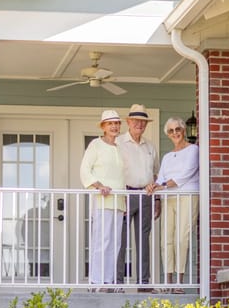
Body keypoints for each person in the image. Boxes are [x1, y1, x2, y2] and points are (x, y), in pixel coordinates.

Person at [146, 116, 199, 294]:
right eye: (171, 131)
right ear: (168, 135)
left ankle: (179, 282)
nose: (175, 133)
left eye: (178, 129)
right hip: (168, 198)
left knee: (181, 238)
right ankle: (168, 281)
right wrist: (154, 186)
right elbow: (160, 176)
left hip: (186, 196)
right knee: (166, 239)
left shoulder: (194, 150)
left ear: (184, 130)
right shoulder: (168, 156)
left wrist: (164, 185)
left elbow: (187, 173)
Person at [115, 104, 160, 293]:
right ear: (128, 122)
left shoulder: (150, 146)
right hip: (125, 194)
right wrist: (120, 194)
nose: (139, 124)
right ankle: (117, 283)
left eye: (143, 121)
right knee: (121, 240)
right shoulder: (118, 143)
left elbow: (156, 174)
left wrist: (157, 199)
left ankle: (144, 283)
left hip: (146, 195)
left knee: (143, 240)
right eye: (136, 121)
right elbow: (114, 171)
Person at [80, 109, 126, 292]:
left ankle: (108, 281)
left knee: (115, 243)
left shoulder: (121, 147)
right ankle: (96, 281)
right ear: (103, 127)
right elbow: (85, 170)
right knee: (102, 240)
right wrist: (99, 186)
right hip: (103, 200)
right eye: (110, 123)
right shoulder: (95, 145)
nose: (114, 126)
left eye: (116, 123)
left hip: (119, 201)